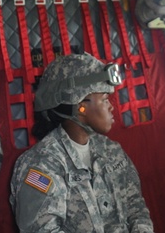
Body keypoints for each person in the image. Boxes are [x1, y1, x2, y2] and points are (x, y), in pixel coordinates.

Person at [9, 53, 154, 233]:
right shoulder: (40, 164)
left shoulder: (111, 150)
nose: (111, 107)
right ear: (80, 107)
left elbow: (136, 209)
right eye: (104, 99)